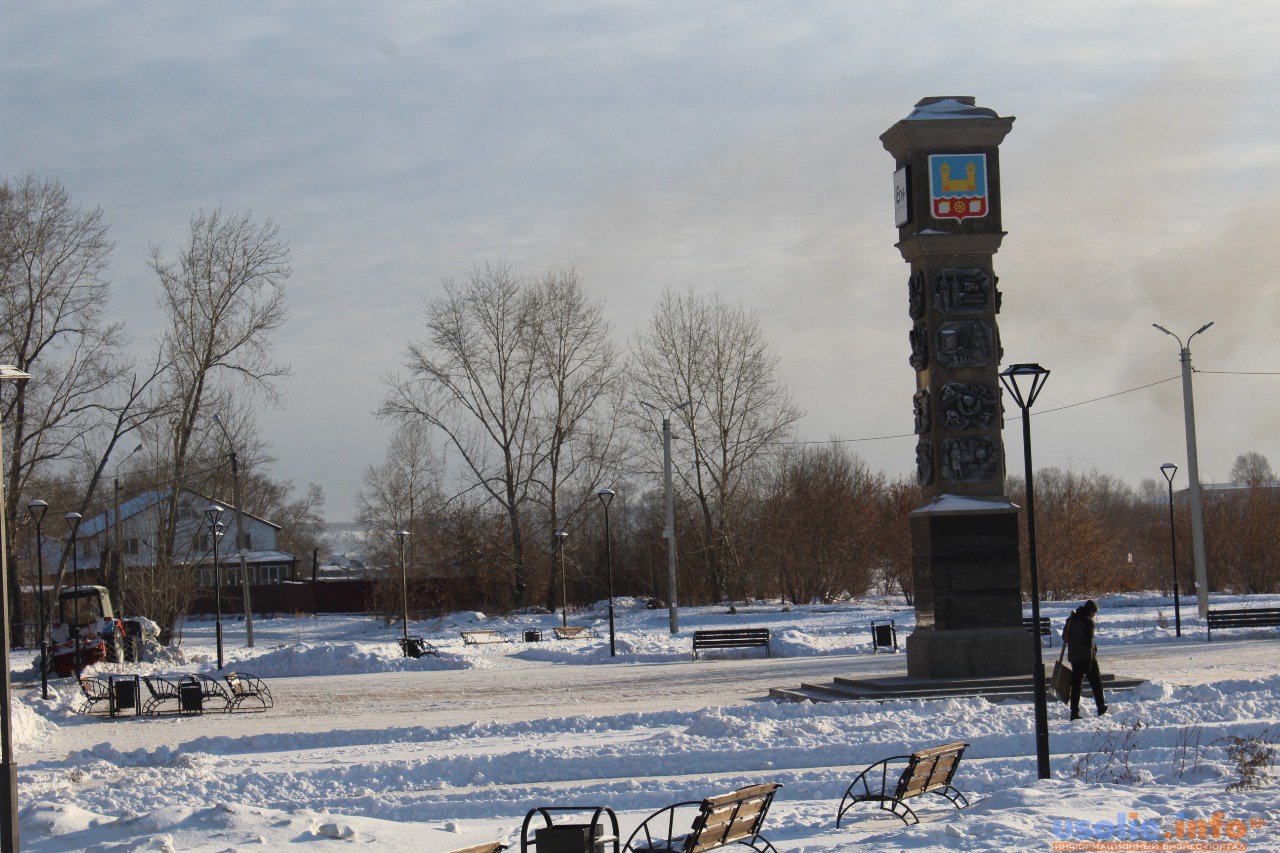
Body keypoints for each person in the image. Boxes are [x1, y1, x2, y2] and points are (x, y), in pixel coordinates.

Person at [1064, 599, 1107, 720]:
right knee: (1096, 683)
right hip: (1088, 658)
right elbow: (1088, 642)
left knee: (1076, 685)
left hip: (1074, 657)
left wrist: (1075, 642)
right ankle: (1101, 708)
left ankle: (1074, 712)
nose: (1095, 615)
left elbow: (1064, 638)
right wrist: (1094, 648)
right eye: (1094, 612)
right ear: (1091, 611)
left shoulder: (1071, 619)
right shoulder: (1088, 622)